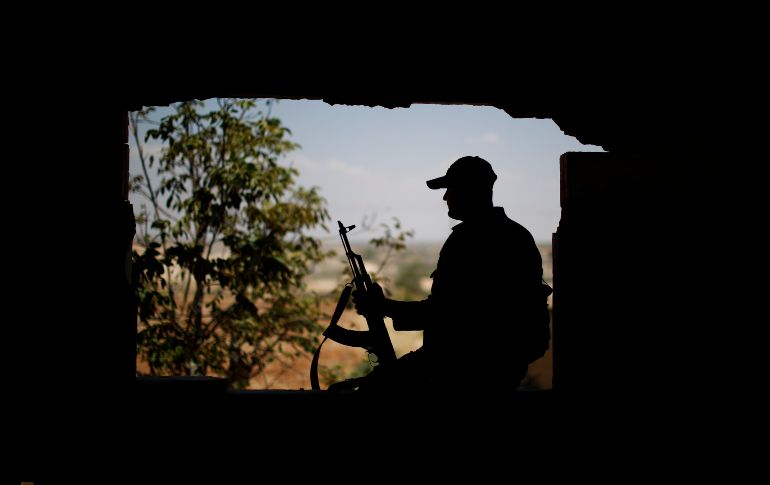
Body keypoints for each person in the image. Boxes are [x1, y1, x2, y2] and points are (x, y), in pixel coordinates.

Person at [351, 156, 549, 397]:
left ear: (472, 190)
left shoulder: (476, 240)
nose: (445, 197)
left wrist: (384, 307)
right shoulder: (511, 235)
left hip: (470, 367)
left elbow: (454, 313)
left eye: (451, 189)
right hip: (483, 364)